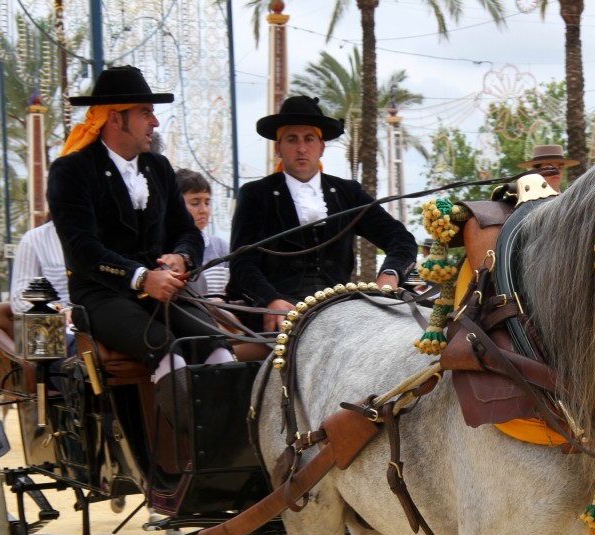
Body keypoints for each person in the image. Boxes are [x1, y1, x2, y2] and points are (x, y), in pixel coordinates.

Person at [46, 64, 233, 425]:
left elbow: (188, 232)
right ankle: (178, 460)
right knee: (166, 350)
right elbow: (82, 249)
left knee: (217, 345)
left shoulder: (158, 167)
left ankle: (228, 450)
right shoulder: (71, 171)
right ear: (116, 118)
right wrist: (141, 277)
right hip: (100, 296)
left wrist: (182, 257)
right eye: (146, 113)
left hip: (160, 291)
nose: (155, 123)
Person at [228, 95, 417, 332]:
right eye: (291, 139)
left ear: (322, 147)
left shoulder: (349, 193)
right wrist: (269, 300)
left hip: (339, 307)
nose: (301, 148)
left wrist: (390, 274)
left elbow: (401, 239)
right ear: (278, 148)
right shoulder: (256, 194)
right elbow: (242, 262)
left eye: (309, 139)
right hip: (279, 312)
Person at [175, 168, 230, 298]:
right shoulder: (170, 252)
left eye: (207, 202)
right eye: (195, 203)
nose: (203, 210)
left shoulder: (221, 247)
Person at [10, 221, 70, 312]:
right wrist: (60, 311)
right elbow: (20, 299)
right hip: (58, 323)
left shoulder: (98, 235)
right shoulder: (33, 240)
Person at [516, 144, 581, 193]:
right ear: (536, 172)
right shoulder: (528, 201)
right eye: (550, 167)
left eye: (560, 167)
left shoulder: (569, 201)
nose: (557, 171)